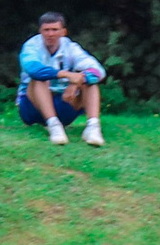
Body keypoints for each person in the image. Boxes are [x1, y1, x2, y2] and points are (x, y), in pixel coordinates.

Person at [17, 13, 107, 147]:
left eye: (55, 30)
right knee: (39, 79)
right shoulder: (31, 46)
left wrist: (76, 82)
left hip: (65, 102)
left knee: (90, 82)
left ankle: (93, 128)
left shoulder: (71, 48)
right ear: (40, 31)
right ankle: (54, 126)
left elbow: (98, 71)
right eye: (46, 30)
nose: (50, 34)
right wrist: (66, 75)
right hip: (32, 106)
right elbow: (33, 70)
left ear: (63, 32)